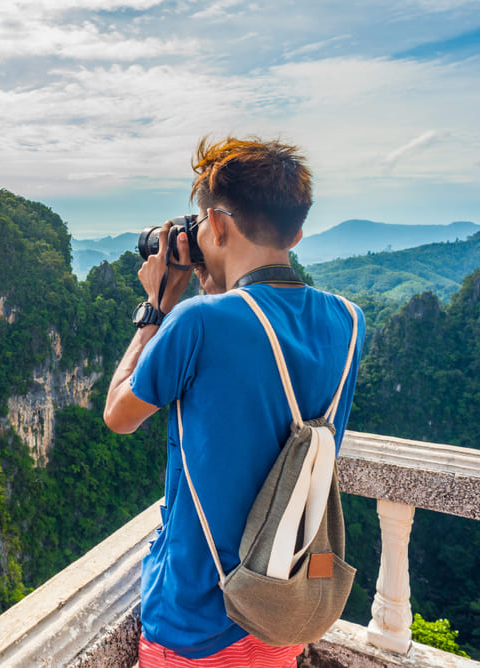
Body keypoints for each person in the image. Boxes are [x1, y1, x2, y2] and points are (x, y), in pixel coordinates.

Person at [103, 136, 365, 667]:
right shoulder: (349, 320)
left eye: (201, 224)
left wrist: (155, 309)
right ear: (296, 229)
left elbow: (119, 415)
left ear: (217, 224)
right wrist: (208, 280)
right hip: (278, 605)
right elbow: (249, 354)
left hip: (196, 621)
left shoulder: (195, 321)